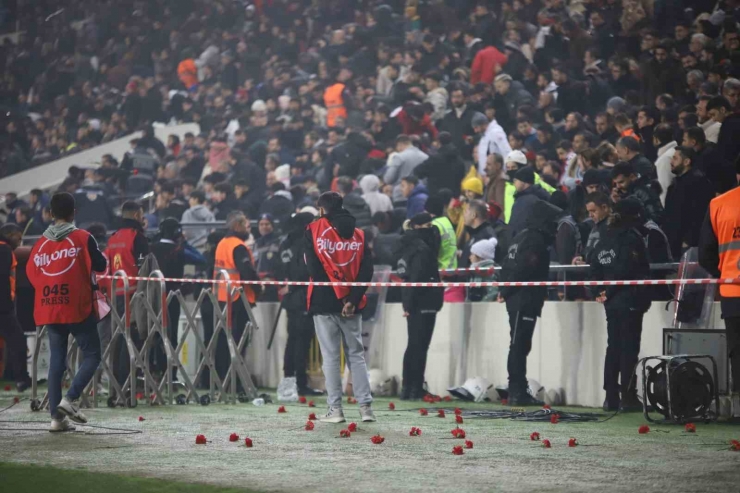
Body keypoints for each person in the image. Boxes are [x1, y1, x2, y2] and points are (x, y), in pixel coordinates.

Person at [26, 192, 107, 431]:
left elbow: (32, 274)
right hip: (77, 305)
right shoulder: (83, 237)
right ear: (74, 213)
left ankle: (55, 419)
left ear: (50, 214)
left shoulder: (40, 244)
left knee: (56, 362)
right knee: (92, 354)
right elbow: (101, 265)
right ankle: (69, 399)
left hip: (50, 305)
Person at [304, 192, 375, 424]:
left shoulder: (313, 230)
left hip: (324, 301)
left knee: (331, 357)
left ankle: (335, 410)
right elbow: (367, 271)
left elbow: (314, 269)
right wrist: (352, 299)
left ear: (322, 209)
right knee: (356, 355)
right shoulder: (360, 235)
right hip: (352, 305)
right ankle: (366, 409)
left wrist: (338, 296)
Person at [590, 198, 651, 412]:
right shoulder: (632, 237)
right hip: (629, 299)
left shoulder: (604, 236)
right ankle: (628, 397)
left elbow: (594, 264)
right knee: (628, 349)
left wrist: (599, 292)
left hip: (612, 303)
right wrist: (611, 290)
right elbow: (628, 267)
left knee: (613, 347)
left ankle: (610, 397)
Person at [497, 200, 558, 406]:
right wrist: (506, 289)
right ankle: (516, 390)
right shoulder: (534, 239)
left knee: (518, 343)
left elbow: (507, 265)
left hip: (517, 297)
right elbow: (526, 269)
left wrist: (503, 290)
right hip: (525, 297)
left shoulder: (520, 237)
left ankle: (516, 389)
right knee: (519, 344)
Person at [149, 218, 206, 382]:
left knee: (152, 334)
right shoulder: (178, 250)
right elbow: (200, 259)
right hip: (172, 297)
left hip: (152, 297)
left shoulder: (151, 248)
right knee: (170, 335)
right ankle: (169, 375)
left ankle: (152, 373)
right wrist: (184, 243)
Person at [396, 213, 444, 400]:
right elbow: (416, 278)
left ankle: (409, 387)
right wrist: (409, 303)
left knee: (414, 345)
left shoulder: (408, 246)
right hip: (423, 301)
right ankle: (414, 387)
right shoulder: (421, 249)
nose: (432, 229)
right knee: (419, 345)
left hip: (415, 301)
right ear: (417, 227)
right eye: (428, 225)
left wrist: (407, 303)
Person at [699, 184, 740, 401]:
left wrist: (723, 272)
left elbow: (705, 253)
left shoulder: (718, 204)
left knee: (738, 351)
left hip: (733, 292)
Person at [103, 201, 149, 392]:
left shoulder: (113, 238)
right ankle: (127, 382)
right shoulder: (137, 237)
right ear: (138, 215)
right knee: (133, 336)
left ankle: (116, 382)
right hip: (134, 294)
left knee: (119, 337)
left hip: (116, 294)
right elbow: (145, 267)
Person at [278, 212, 323, 396]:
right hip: (304, 296)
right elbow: (305, 270)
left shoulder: (285, 243)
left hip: (290, 298)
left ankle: (289, 384)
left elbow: (279, 268)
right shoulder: (304, 243)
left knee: (292, 340)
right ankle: (300, 384)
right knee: (301, 342)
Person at [213, 212, 260, 383]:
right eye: (247, 226)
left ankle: (222, 381)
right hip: (238, 298)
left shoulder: (221, 244)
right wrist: (258, 287)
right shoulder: (238, 246)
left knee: (224, 342)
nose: (249, 229)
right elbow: (247, 272)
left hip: (222, 297)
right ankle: (236, 383)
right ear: (238, 226)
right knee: (239, 342)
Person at [664, 146, 715, 260]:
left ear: (686, 161)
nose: (671, 162)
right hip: (675, 242)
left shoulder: (699, 182)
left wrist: (689, 239)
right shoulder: (676, 183)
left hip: (689, 244)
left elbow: (701, 214)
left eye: (675, 159)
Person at [0, 224, 31, 391]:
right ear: (9, 234)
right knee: (18, 340)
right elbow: (3, 277)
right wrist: (7, 306)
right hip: (3, 308)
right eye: (18, 238)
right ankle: (21, 378)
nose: (20, 242)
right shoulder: (5, 250)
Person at [508, 167, 551, 239]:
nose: (514, 183)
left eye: (516, 180)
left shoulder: (527, 201)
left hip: (523, 243)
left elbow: (519, 224)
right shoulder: (525, 198)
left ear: (523, 181)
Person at [384, 135, 429, 203]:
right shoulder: (425, 157)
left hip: (401, 196)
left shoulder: (399, 157)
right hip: (421, 195)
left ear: (400, 145)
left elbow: (388, 179)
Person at [424, 195, 458, 271]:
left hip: (441, 272)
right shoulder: (447, 222)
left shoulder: (434, 225)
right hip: (452, 268)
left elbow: (431, 253)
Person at [467, 237, 499, 302]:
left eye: (472, 254)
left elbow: (492, 292)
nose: (470, 257)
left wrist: (481, 305)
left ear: (480, 256)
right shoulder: (475, 271)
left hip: (485, 309)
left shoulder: (488, 271)